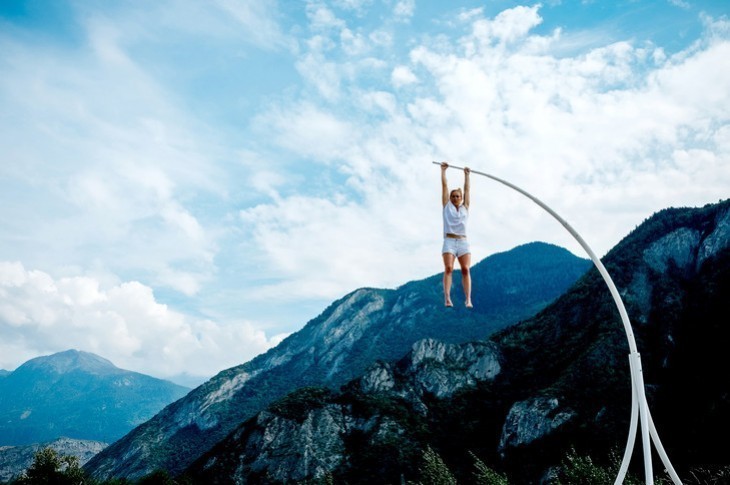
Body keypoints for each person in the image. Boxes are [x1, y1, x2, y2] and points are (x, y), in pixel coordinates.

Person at [441, 162, 472, 308]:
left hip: (463, 242)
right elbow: (444, 187)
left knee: (465, 269)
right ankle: (447, 298)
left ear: (461, 197)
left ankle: (468, 299)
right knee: (449, 268)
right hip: (449, 240)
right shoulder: (447, 206)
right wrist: (443, 171)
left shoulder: (465, 207)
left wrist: (466, 175)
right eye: (453, 196)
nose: (454, 198)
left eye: (457, 196)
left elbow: (467, 189)